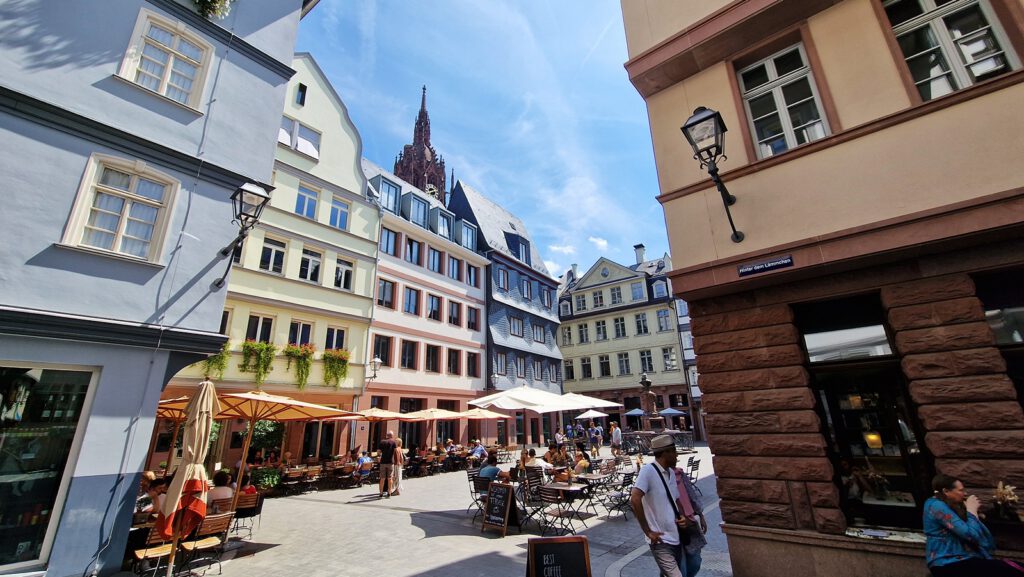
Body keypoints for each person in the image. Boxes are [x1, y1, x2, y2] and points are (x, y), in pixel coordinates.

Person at [630, 434, 705, 577]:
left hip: (676, 536)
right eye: (674, 452)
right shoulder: (648, 471)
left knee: (683, 568)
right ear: (666, 453)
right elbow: (635, 498)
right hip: (660, 540)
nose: (677, 455)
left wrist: (683, 517)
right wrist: (648, 531)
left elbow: (676, 500)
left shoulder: (671, 473)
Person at [923, 474, 1023, 576]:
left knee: (1017, 567)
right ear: (946, 491)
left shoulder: (948, 504)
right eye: (960, 490)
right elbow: (970, 534)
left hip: (963, 559)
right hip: (948, 563)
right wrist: (971, 511)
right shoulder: (935, 505)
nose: (964, 493)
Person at [378, 431, 397, 499]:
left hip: (383, 462)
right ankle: (389, 493)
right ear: (392, 436)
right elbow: (395, 452)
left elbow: (379, 452)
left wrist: (380, 455)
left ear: (386, 435)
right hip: (390, 462)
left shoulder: (382, 442)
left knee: (382, 478)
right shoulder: (394, 442)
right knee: (390, 478)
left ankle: (381, 493)